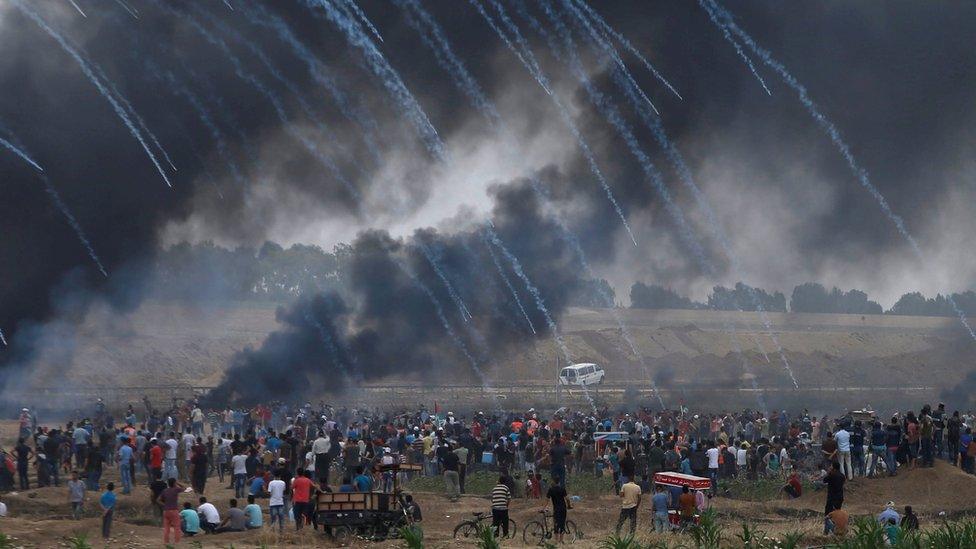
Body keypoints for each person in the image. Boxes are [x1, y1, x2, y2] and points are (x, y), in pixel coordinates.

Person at [158, 477, 184, 544]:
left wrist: (164, 504)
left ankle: (166, 541)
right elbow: (185, 488)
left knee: (166, 527)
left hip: (166, 511)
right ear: (174, 483)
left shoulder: (165, 490)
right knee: (177, 527)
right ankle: (177, 541)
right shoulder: (176, 489)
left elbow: (158, 500)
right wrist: (178, 483)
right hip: (174, 510)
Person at [544, 476, 569, 543]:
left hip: (556, 509)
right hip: (563, 509)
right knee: (562, 524)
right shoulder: (562, 489)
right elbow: (567, 499)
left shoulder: (551, 490)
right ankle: (561, 540)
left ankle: (556, 541)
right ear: (559, 482)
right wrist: (569, 506)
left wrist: (544, 508)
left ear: (554, 481)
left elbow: (547, 500)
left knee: (556, 524)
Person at [822, 462, 845, 534]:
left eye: (831, 466)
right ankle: (838, 530)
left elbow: (824, 480)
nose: (830, 467)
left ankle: (828, 531)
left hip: (832, 498)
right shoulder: (842, 476)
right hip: (840, 497)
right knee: (836, 514)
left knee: (828, 515)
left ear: (833, 468)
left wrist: (829, 472)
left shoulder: (832, 475)